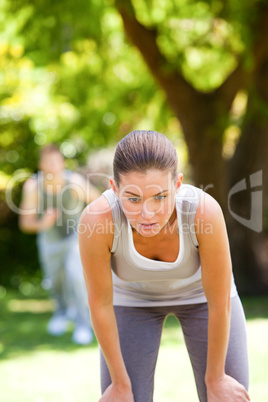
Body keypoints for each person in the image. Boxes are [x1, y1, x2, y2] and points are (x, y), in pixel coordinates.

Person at [79, 130, 250, 401]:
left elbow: (219, 302)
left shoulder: (203, 211)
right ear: (114, 187)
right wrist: (121, 385)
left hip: (203, 299)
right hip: (132, 301)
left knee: (224, 395)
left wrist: (216, 378)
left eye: (160, 196)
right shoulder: (98, 220)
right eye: (133, 198)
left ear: (178, 184)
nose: (147, 213)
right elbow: (100, 304)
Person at [19, 143, 100, 345]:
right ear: (41, 165)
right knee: (54, 280)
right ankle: (62, 313)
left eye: (56, 161)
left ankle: (83, 325)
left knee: (76, 276)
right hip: (49, 239)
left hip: (75, 237)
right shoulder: (33, 186)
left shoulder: (75, 182)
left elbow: (100, 204)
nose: (53, 166)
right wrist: (42, 223)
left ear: (63, 163)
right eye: (48, 162)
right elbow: (25, 224)